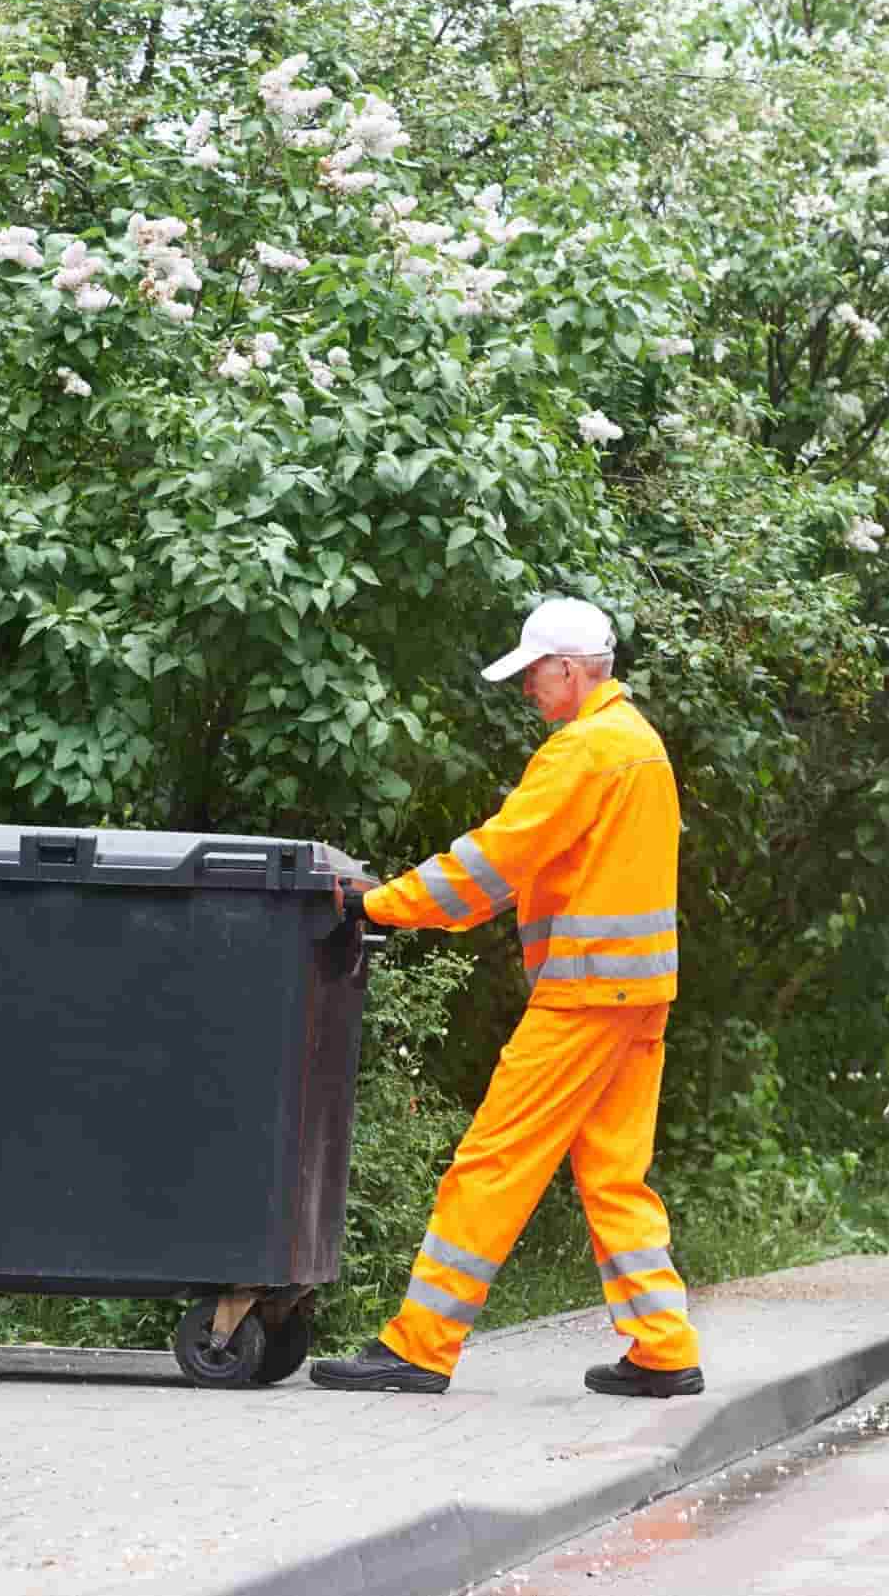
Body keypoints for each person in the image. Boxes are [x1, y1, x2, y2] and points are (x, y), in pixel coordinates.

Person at [311, 596, 702, 1397]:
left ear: (567, 667)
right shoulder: (640, 745)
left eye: (532, 673)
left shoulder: (583, 749)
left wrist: (379, 903)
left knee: (492, 1161)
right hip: (638, 993)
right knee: (613, 1173)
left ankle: (420, 1343)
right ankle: (662, 1346)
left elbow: (495, 860)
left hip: (584, 994)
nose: (527, 688)